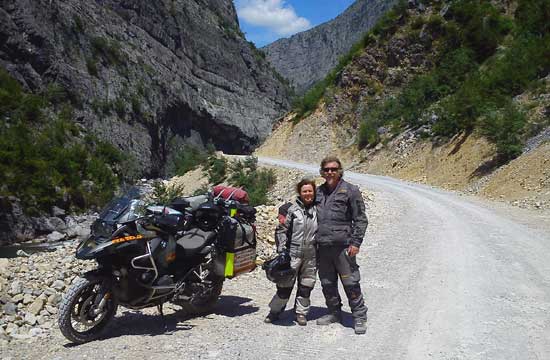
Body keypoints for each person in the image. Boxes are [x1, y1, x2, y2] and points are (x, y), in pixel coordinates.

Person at [315, 155, 369, 335]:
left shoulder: (351, 190)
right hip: (323, 248)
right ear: (322, 172)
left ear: (340, 171)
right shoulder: (318, 192)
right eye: (327, 169)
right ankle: (334, 312)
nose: (330, 172)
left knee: (350, 282)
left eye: (333, 169)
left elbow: (361, 219)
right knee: (327, 283)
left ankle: (359, 315)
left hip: (343, 247)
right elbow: (304, 206)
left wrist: (356, 242)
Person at [264, 178, 318, 326]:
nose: (308, 194)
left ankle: (301, 313)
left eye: (310, 191)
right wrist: (282, 251)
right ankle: (275, 311)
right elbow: (281, 230)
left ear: (314, 192)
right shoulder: (292, 210)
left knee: (306, 285)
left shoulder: (319, 210)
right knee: (284, 286)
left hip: (311, 255)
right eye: (304, 191)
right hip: (293, 253)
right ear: (300, 193)